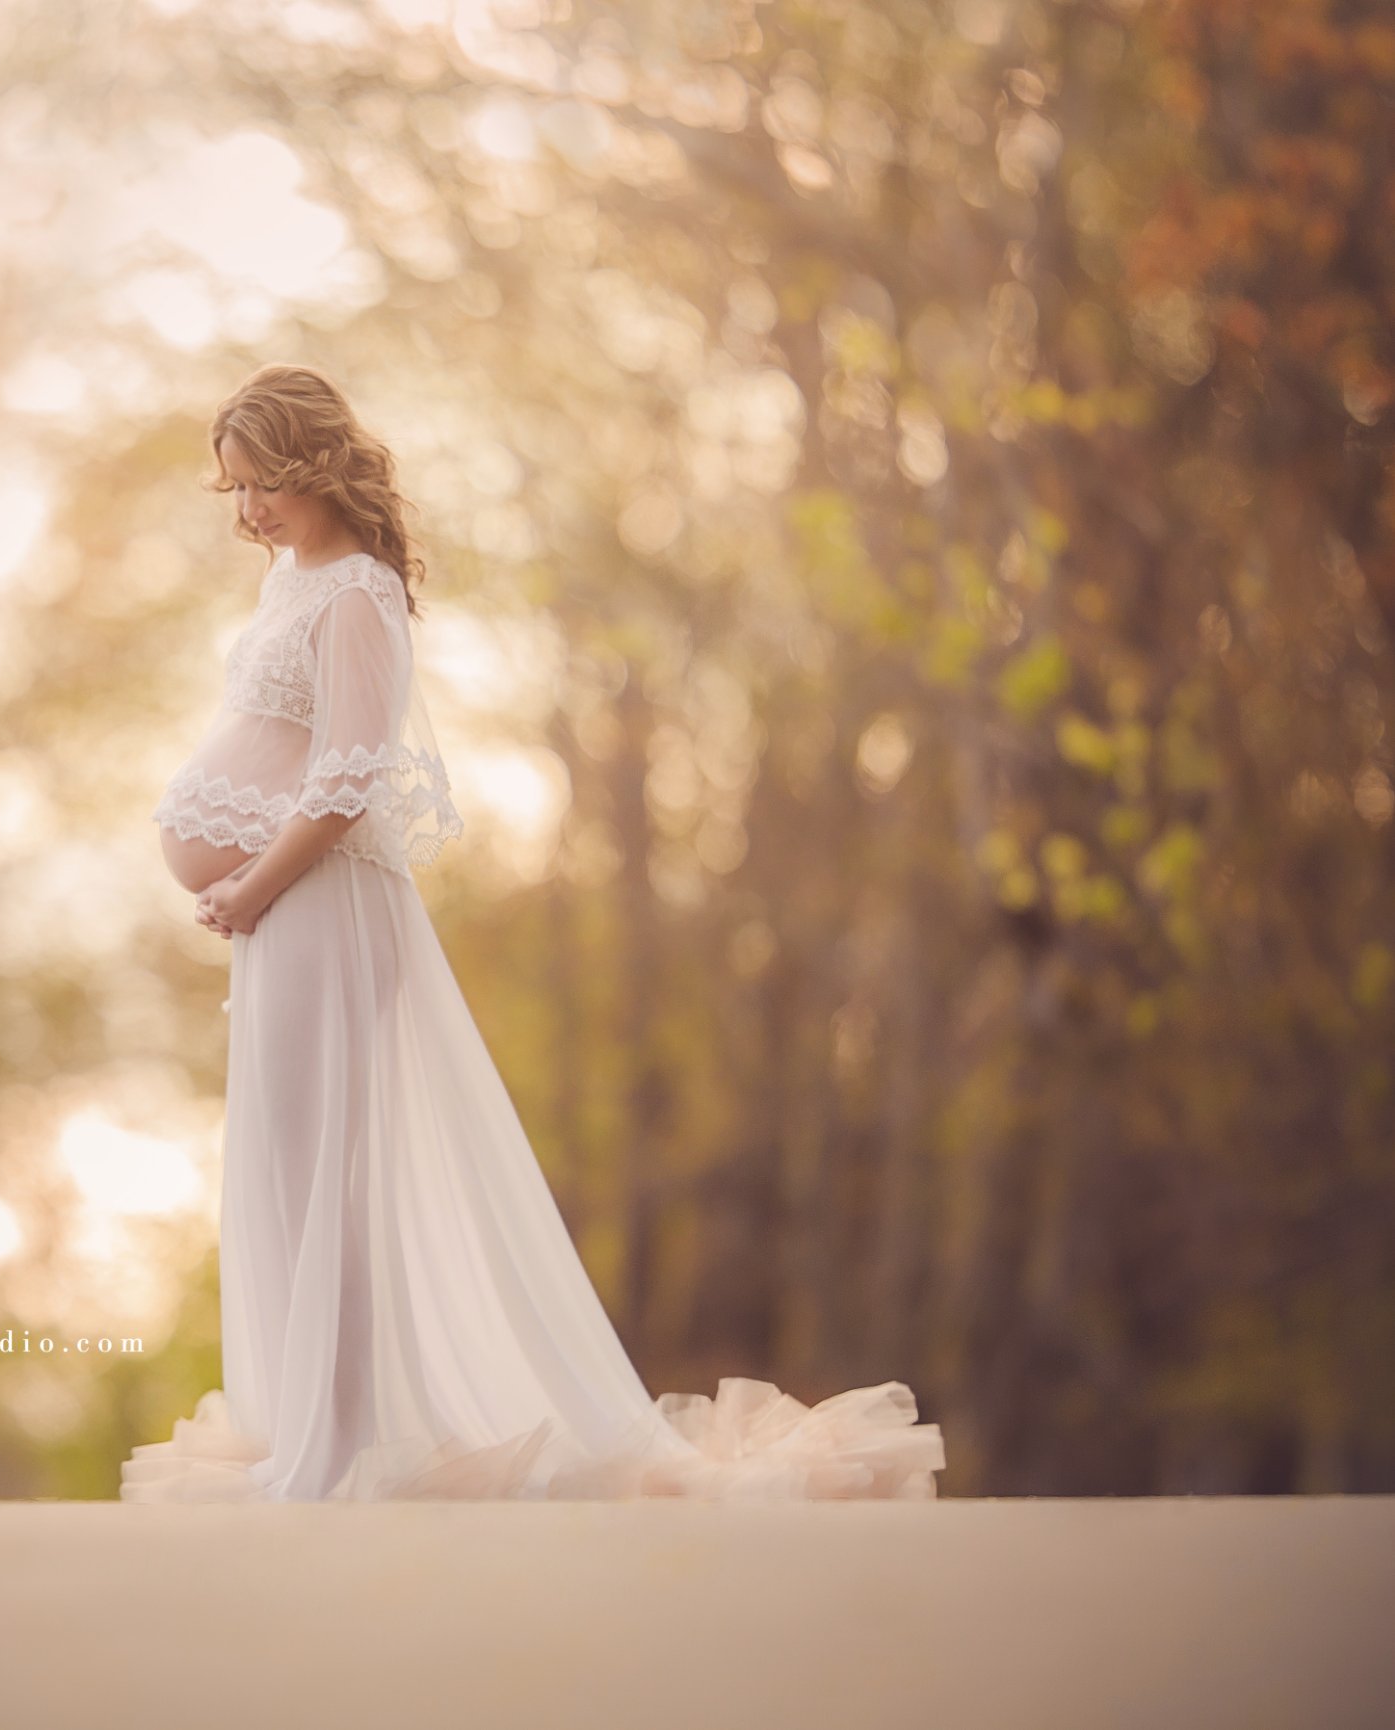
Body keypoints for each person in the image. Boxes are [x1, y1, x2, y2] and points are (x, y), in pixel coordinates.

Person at [122, 364, 946, 1502]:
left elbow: (353, 774)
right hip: (276, 914)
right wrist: (245, 888)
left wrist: (255, 882)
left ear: (310, 465)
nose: (246, 512)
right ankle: (310, 1422)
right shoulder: (287, 585)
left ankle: (340, 1443)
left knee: (329, 1179)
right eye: (233, 493)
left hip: (316, 903)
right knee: (285, 1166)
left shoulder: (357, 590)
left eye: (256, 484)